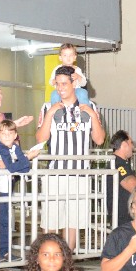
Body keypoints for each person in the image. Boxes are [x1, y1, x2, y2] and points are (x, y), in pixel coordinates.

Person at [36, 65, 106, 248]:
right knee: (50, 221)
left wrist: (92, 115)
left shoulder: (89, 107)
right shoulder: (47, 107)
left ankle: (67, 262)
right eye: (57, 84)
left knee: (73, 222)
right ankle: (47, 259)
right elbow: (41, 138)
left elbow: (99, 140)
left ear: (74, 83)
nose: (60, 88)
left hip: (80, 173)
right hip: (55, 173)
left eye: (64, 84)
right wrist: (50, 113)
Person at [0, 119, 39, 263]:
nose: (7, 136)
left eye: (10, 133)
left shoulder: (15, 148)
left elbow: (24, 168)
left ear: (15, 135)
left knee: (4, 221)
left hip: (4, 188)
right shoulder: (0, 148)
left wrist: (18, 164)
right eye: (3, 133)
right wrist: (27, 158)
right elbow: (12, 167)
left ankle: (5, 251)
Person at [109, 130, 136, 223]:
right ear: (124, 144)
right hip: (123, 219)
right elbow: (134, 186)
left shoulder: (119, 163)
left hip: (124, 217)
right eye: (131, 143)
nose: (133, 147)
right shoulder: (117, 164)